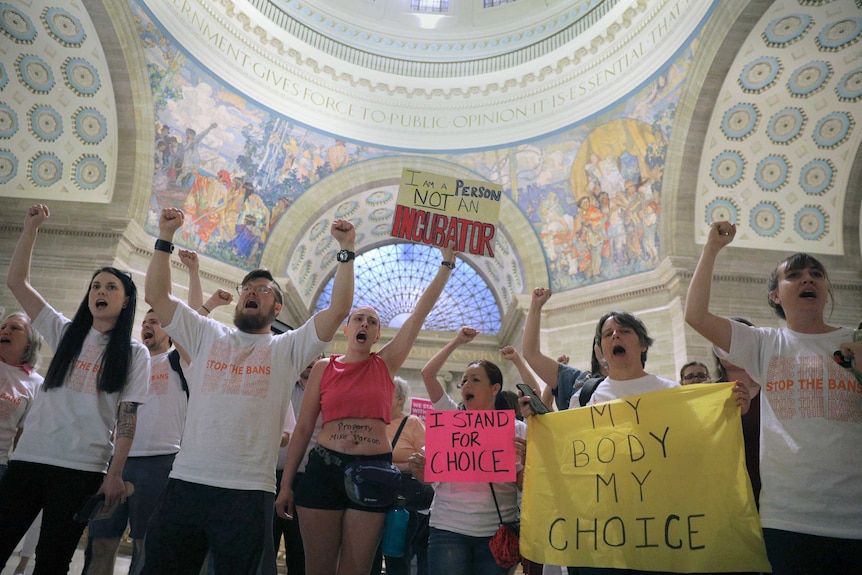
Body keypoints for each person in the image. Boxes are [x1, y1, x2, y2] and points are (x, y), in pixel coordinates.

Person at [137, 207, 355, 574]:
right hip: (186, 481)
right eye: (247, 289)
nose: (252, 293)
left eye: (263, 290)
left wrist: (345, 249)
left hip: (248, 491)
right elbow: (157, 295)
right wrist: (165, 237)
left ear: (276, 306)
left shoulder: (287, 348)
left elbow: (338, 310)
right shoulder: (208, 333)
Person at [685, 221, 862, 575]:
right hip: (788, 519)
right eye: (794, 275)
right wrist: (711, 249)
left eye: (816, 274)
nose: (807, 279)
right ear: (775, 296)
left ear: (827, 289)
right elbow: (696, 316)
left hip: (855, 517)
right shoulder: (765, 344)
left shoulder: (856, 340)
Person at [277, 245, 456, 575]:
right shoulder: (323, 368)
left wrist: (446, 264)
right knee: (316, 568)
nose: (364, 323)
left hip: (373, 470)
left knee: (357, 568)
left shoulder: (385, 364)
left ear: (376, 335)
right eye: (357, 318)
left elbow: (417, 315)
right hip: (324, 469)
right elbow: (303, 429)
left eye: (372, 321)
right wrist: (287, 484)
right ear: (346, 329)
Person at [0, 204, 150, 572]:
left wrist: (114, 473)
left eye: (111, 287)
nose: (100, 291)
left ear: (126, 300)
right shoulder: (65, 331)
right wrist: (31, 229)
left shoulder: (134, 353)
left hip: (83, 467)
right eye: (96, 286)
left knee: (53, 560)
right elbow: (17, 283)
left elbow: (127, 417)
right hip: (31, 458)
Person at [85, 250, 233, 575]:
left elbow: (193, 325)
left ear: (169, 330)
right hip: (116, 461)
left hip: (159, 463)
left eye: (157, 321)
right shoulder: (128, 361)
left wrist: (196, 276)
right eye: (146, 321)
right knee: (100, 543)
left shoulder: (177, 362)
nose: (149, 325)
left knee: (146, 543)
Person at [409, 327, 527, 575]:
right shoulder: (450, 418)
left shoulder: (516, 430)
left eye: (475, 380)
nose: (465, 386)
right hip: (448, 528)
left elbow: (524, 485)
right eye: (464, 381)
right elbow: (428, 374)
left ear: (495, 388)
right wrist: (456, 342)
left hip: (497, 531)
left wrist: (530, 462)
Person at [370, 377, 428, 575]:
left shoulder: (412, 423)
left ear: (401, 399)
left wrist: (398, 467)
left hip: (401, 503)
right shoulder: (371, 422)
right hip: (371, 499)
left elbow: (424, 461)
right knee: (369, 558)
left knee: (398, 559)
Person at [522, 288, 599, 411]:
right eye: (607, 334)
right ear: (597, 350)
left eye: (625, 331)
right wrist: (536, 306)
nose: (615, 336)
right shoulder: (580, 383)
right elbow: (531, 354)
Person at [712, 318, 761, 508]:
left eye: (738, 339)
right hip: (725, 494)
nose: (731, 346)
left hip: (769, 491)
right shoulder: (707, 397)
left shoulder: (774, 390)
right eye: (724, 340)